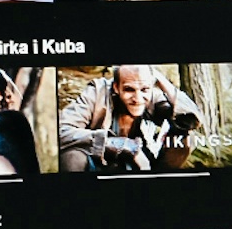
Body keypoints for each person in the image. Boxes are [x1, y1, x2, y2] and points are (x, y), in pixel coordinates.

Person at [59, 64, 205, 172]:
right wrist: (122, 145)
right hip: (100, 162)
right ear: (116, 87)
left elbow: (191, 120)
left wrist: (159, 78)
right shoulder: (97, 92)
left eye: (144, 89)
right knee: (72, 157)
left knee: (184, 139)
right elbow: (62, 131)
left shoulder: (153, 97)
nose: (138, 98)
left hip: (143, 165)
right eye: (129, 89)